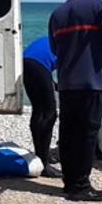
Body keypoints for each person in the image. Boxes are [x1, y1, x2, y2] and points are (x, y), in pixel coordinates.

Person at [48, 0, 102, 202]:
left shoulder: (56, 15)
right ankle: (81, 186)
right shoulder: (97, 6)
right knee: (87, 135)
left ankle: (70, 182)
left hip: (67, 83)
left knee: (69, 134)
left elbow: (53, 47)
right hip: (91, 83)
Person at [22, 37, 61, 178]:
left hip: (26, 62)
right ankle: (44, 164)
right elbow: (67, 71)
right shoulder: (74, 44)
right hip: (38, 65)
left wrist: (54, 85)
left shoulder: (58, 38)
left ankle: (40, 156)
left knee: (39, 110)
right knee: (49, 114)